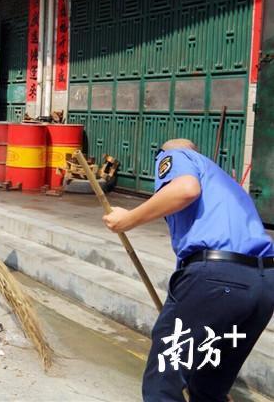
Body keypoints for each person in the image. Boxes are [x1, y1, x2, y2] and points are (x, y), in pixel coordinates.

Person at [102, 138, 274, 401]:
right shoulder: (225, 182)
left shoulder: (178, 157)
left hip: (219, 277)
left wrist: (128, 219)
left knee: (163, 382)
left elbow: (186, 189)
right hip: (263, 286)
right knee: (209, 386)